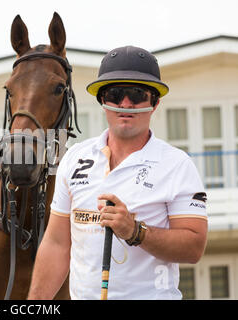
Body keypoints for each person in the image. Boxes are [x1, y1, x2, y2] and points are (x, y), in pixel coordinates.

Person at [27, 46, 208, 300]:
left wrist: (135, 231)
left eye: (136, 95)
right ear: (103, 101)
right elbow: (57, 244)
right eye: (115, 94)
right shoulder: (74, 157)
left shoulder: (178, 164)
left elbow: (194, 247)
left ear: (154, 103)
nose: (125, 103)